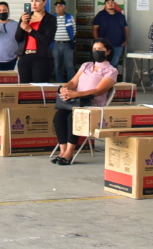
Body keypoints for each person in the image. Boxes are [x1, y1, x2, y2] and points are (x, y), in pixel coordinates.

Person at [49, 37, 119, 165]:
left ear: (108, 51)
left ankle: (69, 153)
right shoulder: (86, 65)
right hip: (76, 102)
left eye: (100, 49)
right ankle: (62, 151)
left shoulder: (111, 71)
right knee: (59, 116)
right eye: (94, 49)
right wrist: (65, 89)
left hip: (92, 105)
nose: (97, 51)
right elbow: (73, 82)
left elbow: (99, 90)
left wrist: (76, 94)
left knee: (72, 118)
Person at [15, 0, 55, 83]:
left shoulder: (50, 19)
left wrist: (30, 30)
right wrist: (22, 25)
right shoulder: (26, 17)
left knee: (38, 88)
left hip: (42, 59)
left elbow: (47, 40)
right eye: (32, 1)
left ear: (44, 2)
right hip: (25, 57)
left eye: (37, 1)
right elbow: (18, 38)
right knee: (24, 88)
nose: (34, 4)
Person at [92, 0, 128, 68]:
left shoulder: (120, 15)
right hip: (104, 45)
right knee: (103, 63)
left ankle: (113, 75)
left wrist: (126, 40)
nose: (110, 4)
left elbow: (126, 28)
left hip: (118, 44)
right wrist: (97, 41)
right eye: (108, 2)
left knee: (114, 64)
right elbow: (95, 28)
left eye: (112, 2)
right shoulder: (100, 15)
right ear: (105, 5)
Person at [50, 0, 77, 83]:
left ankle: (71, 84)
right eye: (57, 6)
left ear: (65, 8)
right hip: (56, 45)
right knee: (57, 66)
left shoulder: (70, 17)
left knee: (70, 66)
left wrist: (72, 40)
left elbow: (74, 30)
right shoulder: (52, 18)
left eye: (60, 6)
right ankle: (60, 84)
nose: (58, 8)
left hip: (67, 44)